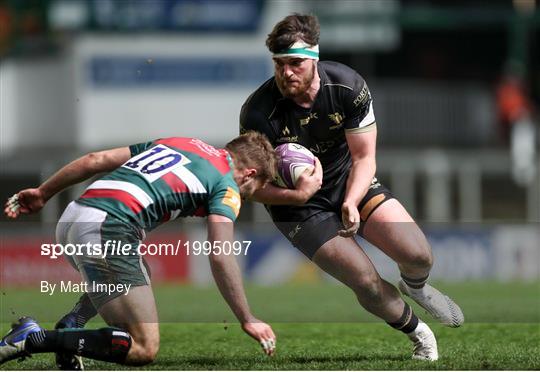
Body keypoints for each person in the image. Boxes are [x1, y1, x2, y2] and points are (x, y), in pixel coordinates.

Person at [240, 14, 464, 361]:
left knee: (418, 254)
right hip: (298, 207)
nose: (286, 73)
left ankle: (415, 286)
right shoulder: (258, 113)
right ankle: (420, 335)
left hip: (349, 180)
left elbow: (364, 157)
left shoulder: (347, 87)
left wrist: (352, 201)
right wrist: (297, 194)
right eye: (279, 64)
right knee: (366, 281)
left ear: (314, 58)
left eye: (296, 63)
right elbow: (250, 188)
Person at [0, 132, 278, 368]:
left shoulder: (180, 142)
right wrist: (247, 318)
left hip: (74, 217)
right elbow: (220, 253)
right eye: (251, 190)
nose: (245, 196)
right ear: (249, 174)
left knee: (141, 274)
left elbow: (94, 160)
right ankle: (32, 338)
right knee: (143, 346)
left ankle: (73, 324)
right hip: (109, 228)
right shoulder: (227, 185)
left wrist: (43, 193)